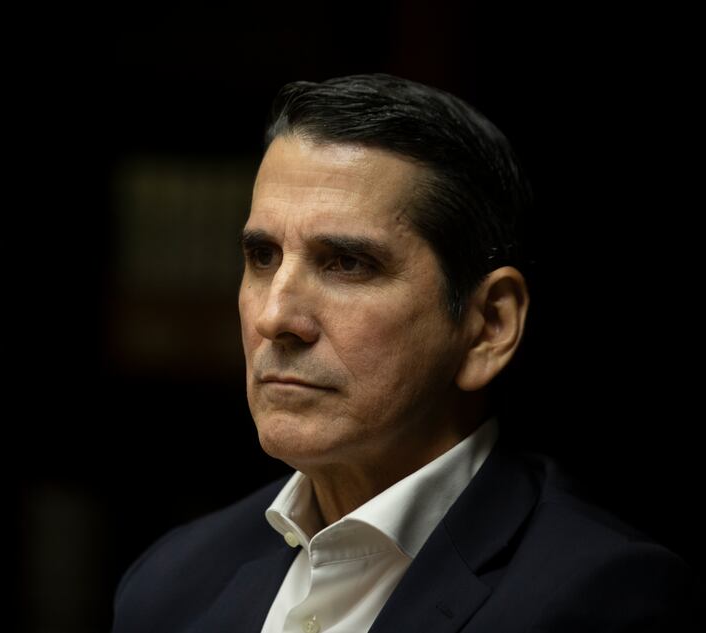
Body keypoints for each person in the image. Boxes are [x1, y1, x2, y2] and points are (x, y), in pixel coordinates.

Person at [110, 73, 701, 632]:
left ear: (489, 326)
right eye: (263, 257)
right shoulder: (171, 583)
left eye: (347, 263)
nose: (274, 318)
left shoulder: (603, 599)